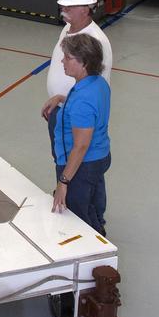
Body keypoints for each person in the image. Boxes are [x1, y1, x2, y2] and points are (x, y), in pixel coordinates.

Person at [41, 0, 112, 161]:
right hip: (60, 108)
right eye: (63, 6)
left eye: (69, 7)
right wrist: (57, 99)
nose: (63, 10)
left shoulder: (96, 41)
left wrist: (64, 102)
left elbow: (95, 91)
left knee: (73, 162)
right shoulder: (68, 28)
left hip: (77, 117)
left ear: (86, 9)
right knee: (60, 157)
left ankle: (65, 180)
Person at [50, 32, 111, 235]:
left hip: (82, 166)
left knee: (78, 217)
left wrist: (64, 182)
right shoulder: (97, 83)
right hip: (99, 156)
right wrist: (62, 98)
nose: (62, 61)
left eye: (68, 58)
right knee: (93, 201)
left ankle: (94, 240)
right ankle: (98, 225)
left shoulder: (83, 100)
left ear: (84, 63)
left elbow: (81, 146)